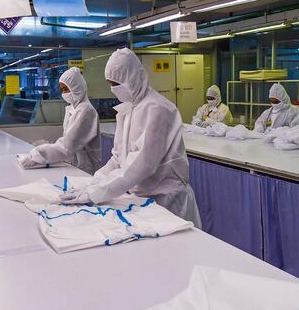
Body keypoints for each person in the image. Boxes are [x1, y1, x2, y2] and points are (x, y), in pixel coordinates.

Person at [60, 48, 201, 227]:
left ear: (133, 78)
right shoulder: (127, 110)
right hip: (141, 200)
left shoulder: (158, 109)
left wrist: (96, 193)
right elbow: (118, 158)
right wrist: (93, 183)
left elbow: (141, 166)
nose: (113, 90)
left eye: (116, 84)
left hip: (167, 201)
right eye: (110, 84)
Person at [20, 67, 101, 174]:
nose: (64, 93)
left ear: (77, 87)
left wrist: (35, 156)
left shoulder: (85, 111)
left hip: (85, 167)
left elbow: (67, 146)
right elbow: (66, 140)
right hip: (73, 163)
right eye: (62, 90)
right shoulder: (73, 108)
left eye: (66, 89)